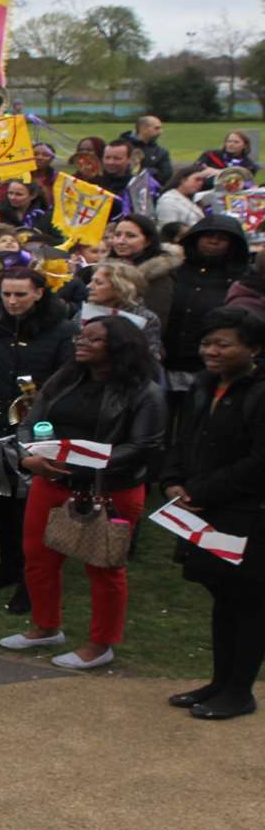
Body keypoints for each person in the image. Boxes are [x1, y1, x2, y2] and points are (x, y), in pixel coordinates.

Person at [2, 316, 165, 670]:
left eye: (93, 340)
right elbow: (30, 420)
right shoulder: (66, 378)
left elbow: (143, 446)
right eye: (81, 336)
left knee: (104, 567)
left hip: (109, 490)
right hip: (51, 480)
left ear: (118, 348)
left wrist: (79, 464)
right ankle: (45, 626)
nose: (81, 343)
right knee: (37, 557)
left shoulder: (144, 392)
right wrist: (28, 455)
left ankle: (101, 643)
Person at [161, 307, 265, 719]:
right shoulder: (204, 385)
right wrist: (172, 480)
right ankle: (221, 681)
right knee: (221, 595)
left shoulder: (260, 392)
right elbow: (184, 439)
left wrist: (200, 489)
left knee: (250, 601)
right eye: (207, 343)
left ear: (254, 349)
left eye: (224, 344)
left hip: (248, 514)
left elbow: (260, 462)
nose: (212, 351)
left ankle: (240, 690)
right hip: (205, 511)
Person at [0, 267, 76, 616]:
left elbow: (67, 379)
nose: (12, 301)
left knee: (30, 508)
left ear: (39, 292)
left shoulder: (62, 330)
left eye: (20, 294)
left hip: (37, 431)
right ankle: (7, 566)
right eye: (7, 293)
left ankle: (30, 580)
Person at [161, 214, 253, 392]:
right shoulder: (174, 270)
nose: (213, 242)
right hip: (167, 359)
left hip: (211, 365)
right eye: (208, 236)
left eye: (222, 239)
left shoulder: (241, 278)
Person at [117, 114, 173, 185]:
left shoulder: (161, 152)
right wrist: (153, 171)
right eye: (156, 128)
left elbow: (166, 176)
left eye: (161, 128)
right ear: (143, 129)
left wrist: (145, 171)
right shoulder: (120, 146)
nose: (161, 131)